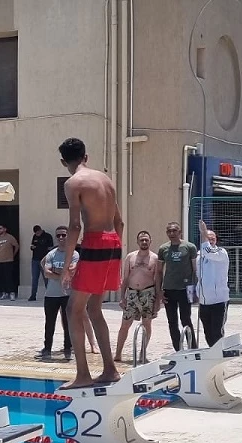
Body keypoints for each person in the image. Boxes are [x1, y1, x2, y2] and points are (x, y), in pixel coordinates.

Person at [56, 137, 123, 389]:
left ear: (64, 162)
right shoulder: (107, 180)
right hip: (113, 243)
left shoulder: (73, 183)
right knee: (94, 308)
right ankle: (110, 369)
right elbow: (120, 222)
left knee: (74, 308)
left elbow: (75, 225)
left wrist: (66, 267)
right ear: (86, 156)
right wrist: (114, 248)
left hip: (95, 241)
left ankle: (83, 374)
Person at [113, 230, 159, 363]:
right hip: (132, 294)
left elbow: (157, 280)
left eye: (146, 239)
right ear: (137, 242)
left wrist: (157, 301)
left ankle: (142, 354)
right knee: (125, 325)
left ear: (150, 241)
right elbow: (125, 278)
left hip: (148, 294)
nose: (144, 242)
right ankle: (118, 354)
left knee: (147, 324)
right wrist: (122, 297)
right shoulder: (130, 257)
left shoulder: (155, 258)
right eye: (141, 240)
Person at [38, 226, 79, 360]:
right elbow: (47, 272)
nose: (61, 238)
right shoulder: (51, 254)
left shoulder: (73, 254)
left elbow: (72, 272)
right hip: (51, 294)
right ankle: (47, 348)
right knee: (49, 323)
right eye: (58, 236)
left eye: (63, 235)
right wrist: (63, 273)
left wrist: (57, 271)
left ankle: (68, 347)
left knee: (68, 322)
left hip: (67, 294)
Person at [157, 222, 198, 351]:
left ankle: (192, 348)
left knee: (186, 319)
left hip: (185, 289)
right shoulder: (163, 249)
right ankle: (177, 349)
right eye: (169, 231)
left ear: (180, 232)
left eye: (174, 231)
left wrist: (195, 289)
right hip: (169, 289)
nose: (172, 234)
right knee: (172, 321)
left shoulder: (189, 247)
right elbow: (159, 271)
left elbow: (195, 269)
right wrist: (159, 290)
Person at [196, 219, 230, 347]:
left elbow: (209, 252)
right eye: (207, 238)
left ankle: (219, 355)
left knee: (217, 333)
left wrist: (204, 231)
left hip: (219, 300)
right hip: (204, 301)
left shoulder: (221, 253)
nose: (210, 240)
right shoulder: (199, 255)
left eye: (212, 238)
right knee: (207, 332)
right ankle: (213, 353)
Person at [0, 225, 20, 300]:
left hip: (8, 260)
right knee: (1, 278)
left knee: (9, 277)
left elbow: (16, 246)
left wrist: (13, 254)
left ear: (5, 229)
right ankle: (4, 293)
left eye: (1, 228)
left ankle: (12, 293)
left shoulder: (10, 237)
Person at [28, 225, 54, 301]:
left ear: (40, 230)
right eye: (36, 233)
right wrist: (32, 247)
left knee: (46, 278)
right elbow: (32, 245)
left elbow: (50, 248)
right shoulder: (35, 236)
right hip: (35, 260)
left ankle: (49, 295)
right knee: (34, 279)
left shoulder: (48, 236)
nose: (37, 234)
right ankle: (33, 295)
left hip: (45, 260)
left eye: (38, 233)